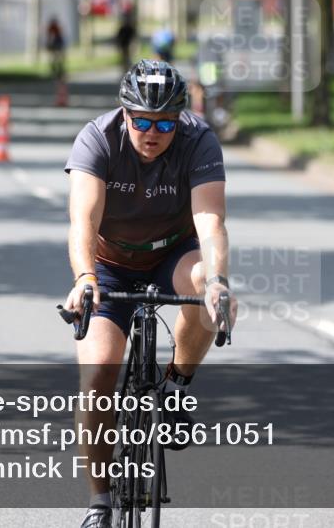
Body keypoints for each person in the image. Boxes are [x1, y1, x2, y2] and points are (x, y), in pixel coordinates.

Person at [62, 59, 237, 528]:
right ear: (124, 115)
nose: (153, 131)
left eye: (165, 122)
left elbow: (210, 222)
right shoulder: (97, 140)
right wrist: (85, 279)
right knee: (98, 379)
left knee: (204, 287)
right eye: (141, 120)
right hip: (110, 267)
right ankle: (99, 503)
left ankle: (177, 386)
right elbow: (84, 222)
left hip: (172, 256)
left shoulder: (198, 140)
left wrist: (218, 280)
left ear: (181, 118)